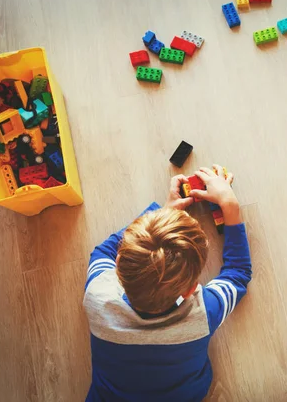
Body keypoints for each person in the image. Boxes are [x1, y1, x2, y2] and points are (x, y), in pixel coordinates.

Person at [84, 165, 252, 402]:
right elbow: (237, 273)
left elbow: (103, 252)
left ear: (119, 262)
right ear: (192, 289)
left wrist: (161, 212)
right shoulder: (201, 314)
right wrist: (230, 205)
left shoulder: (98, 296)